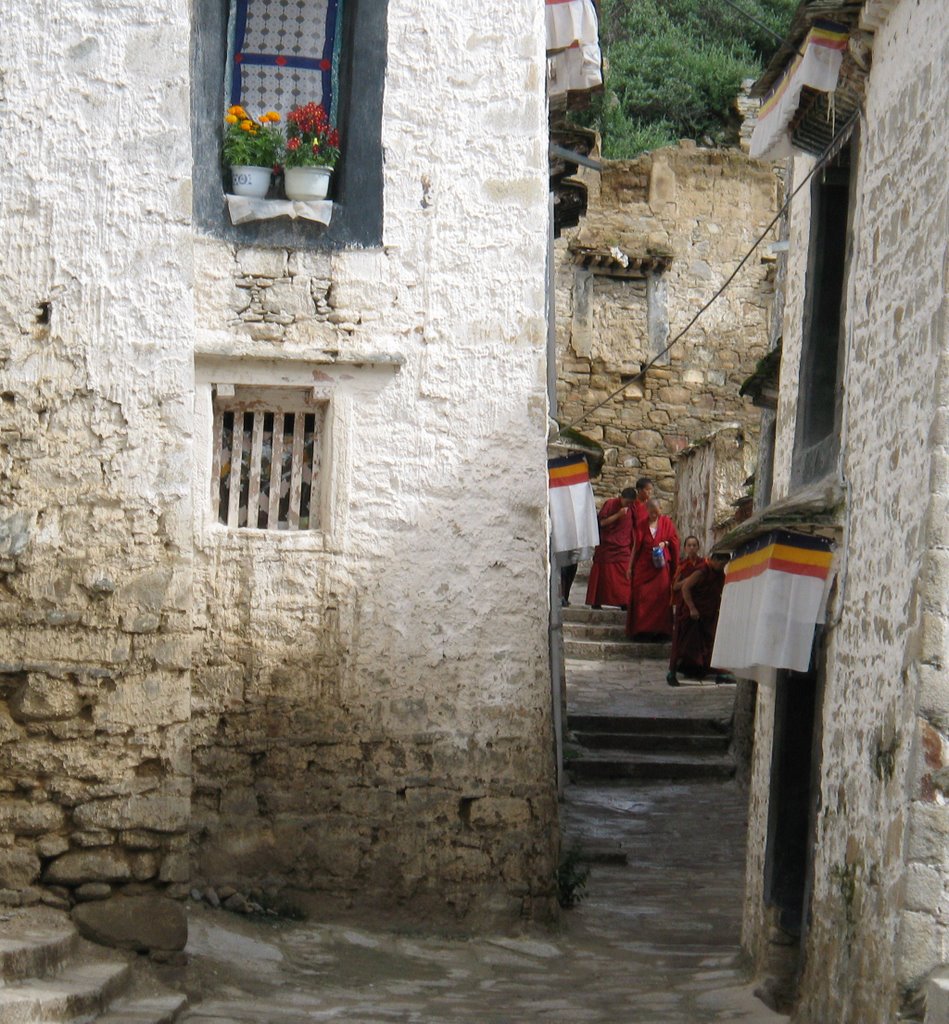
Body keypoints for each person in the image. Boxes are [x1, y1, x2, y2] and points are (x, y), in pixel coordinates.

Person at [667, 550, 730, 685]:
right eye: (721, 564)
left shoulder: (719, 574)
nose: (722, 567)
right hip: (691, 613)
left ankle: (704, 670)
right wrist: (692, 608)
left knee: (707, 643)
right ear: (714, 560)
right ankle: (672, 673)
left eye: (725, 564)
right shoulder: (701, 571)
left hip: (708, 613)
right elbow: (685, 588)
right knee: (683, 644)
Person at [625, 498, 679, 640]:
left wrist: (666, 543)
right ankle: (641, 631)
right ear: (647, 511)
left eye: (656, 512)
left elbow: (674, 541)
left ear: (660, 509)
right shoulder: (642, 525)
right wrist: (630, 567)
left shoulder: (666, 523)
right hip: (644, 566)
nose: (654, 515)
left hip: (661, 569)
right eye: (651, 512)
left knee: (661, 598)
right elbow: (636, 547)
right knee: (641, 597)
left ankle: (660, 631)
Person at [585, 487, 637, 609]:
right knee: (602, 575)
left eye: (631, 503)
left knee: (624, 575)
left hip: (623, 547)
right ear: (621, 498)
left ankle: (624, 601)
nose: (628, 505)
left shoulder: (632, 509)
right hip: (607, 546)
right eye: (627, 502)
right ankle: (597, 601)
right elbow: (602, 523)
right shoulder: (610, 504)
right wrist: (618, 515)